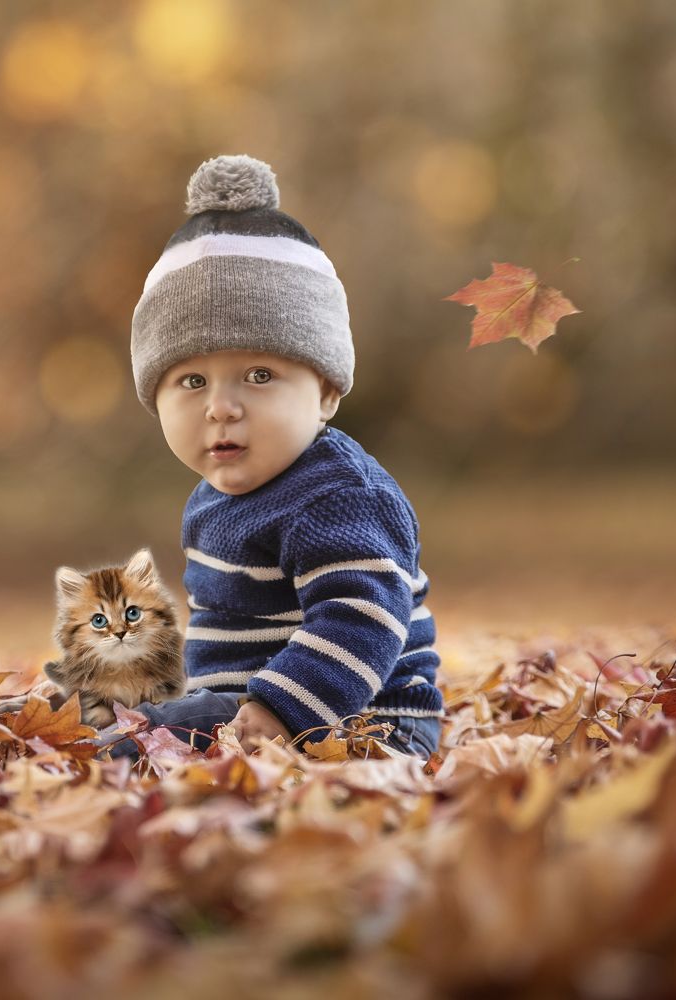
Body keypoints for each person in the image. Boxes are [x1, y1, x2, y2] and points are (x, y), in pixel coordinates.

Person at [103, 154, 444, 759]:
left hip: (363, 722)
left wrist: (277, 708)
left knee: (136, 742)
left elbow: (362, 615)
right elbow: (229, 635)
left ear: (327, 391)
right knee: (116, 709)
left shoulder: (338, 497)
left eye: (259, 375)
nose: (221, 408)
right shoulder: (215, 496)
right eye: (191, 382)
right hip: (253, 711)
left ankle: (100, 744)